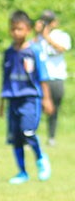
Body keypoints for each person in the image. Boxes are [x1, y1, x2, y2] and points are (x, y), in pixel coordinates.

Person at [0, 10, 53, 184]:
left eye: (20, 29)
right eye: (13, 29)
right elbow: (5, 78)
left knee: (28, 131)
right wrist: (1, 101)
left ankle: (40, 158)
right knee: (15, 138)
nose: (16, 33)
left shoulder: (34, 51)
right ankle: (22, 172)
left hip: (30, 98)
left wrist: (46, 99)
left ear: (28, 30)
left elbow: (42, 76)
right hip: (13, 99)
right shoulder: (9, 52)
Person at [34, 10, 69, 145]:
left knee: (54, 109)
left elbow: (61, 48)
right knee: (36, 107)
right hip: (41, 78)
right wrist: (38, 33)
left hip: (56, 77)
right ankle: (31, 135)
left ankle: (51, 137)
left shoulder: (61, 35)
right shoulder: (38, 38)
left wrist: (47, 36)